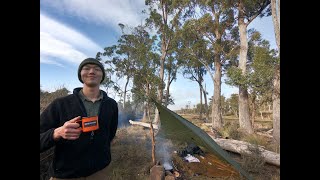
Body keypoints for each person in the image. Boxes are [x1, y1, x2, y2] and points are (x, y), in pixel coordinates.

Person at [40, 58, 118, 180]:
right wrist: (56, 133)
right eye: (86, 68)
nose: (92, 71)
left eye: (97, 69)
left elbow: (110, 134)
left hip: (99, 172)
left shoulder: (112, 104)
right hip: (66, 174)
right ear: (80, 75)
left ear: (102, 75)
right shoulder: (60, 104)